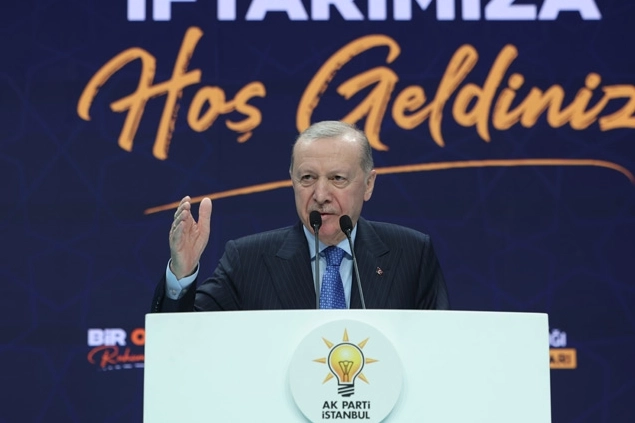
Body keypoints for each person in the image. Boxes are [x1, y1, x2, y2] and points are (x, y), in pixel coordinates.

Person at [151, 121, 449, 312]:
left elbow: (441, 348)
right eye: (307, 178)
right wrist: (182, 274)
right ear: (292, 181)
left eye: (337, 178)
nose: (320, 194)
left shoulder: (411, 254)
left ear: (368, 184)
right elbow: (184, 342)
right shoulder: (248, 260)